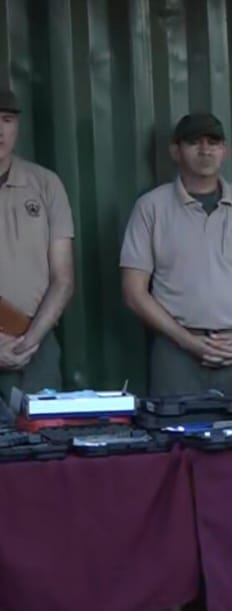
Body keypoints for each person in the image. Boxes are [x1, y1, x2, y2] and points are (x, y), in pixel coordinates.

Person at [119, 113, 232, 406]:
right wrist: (187, 341)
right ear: (175, 151)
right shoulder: (151, 208)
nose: (205, 150)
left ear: (225, 150)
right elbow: (134, 292)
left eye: (213, 142)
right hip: (176, 354)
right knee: (175, 442)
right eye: (194, 142)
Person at [0, 89, 74, 395]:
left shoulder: (46, 184)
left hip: (34, 345)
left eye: (6, 120)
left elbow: (63, 279)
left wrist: (29, 341)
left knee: (42, 439)